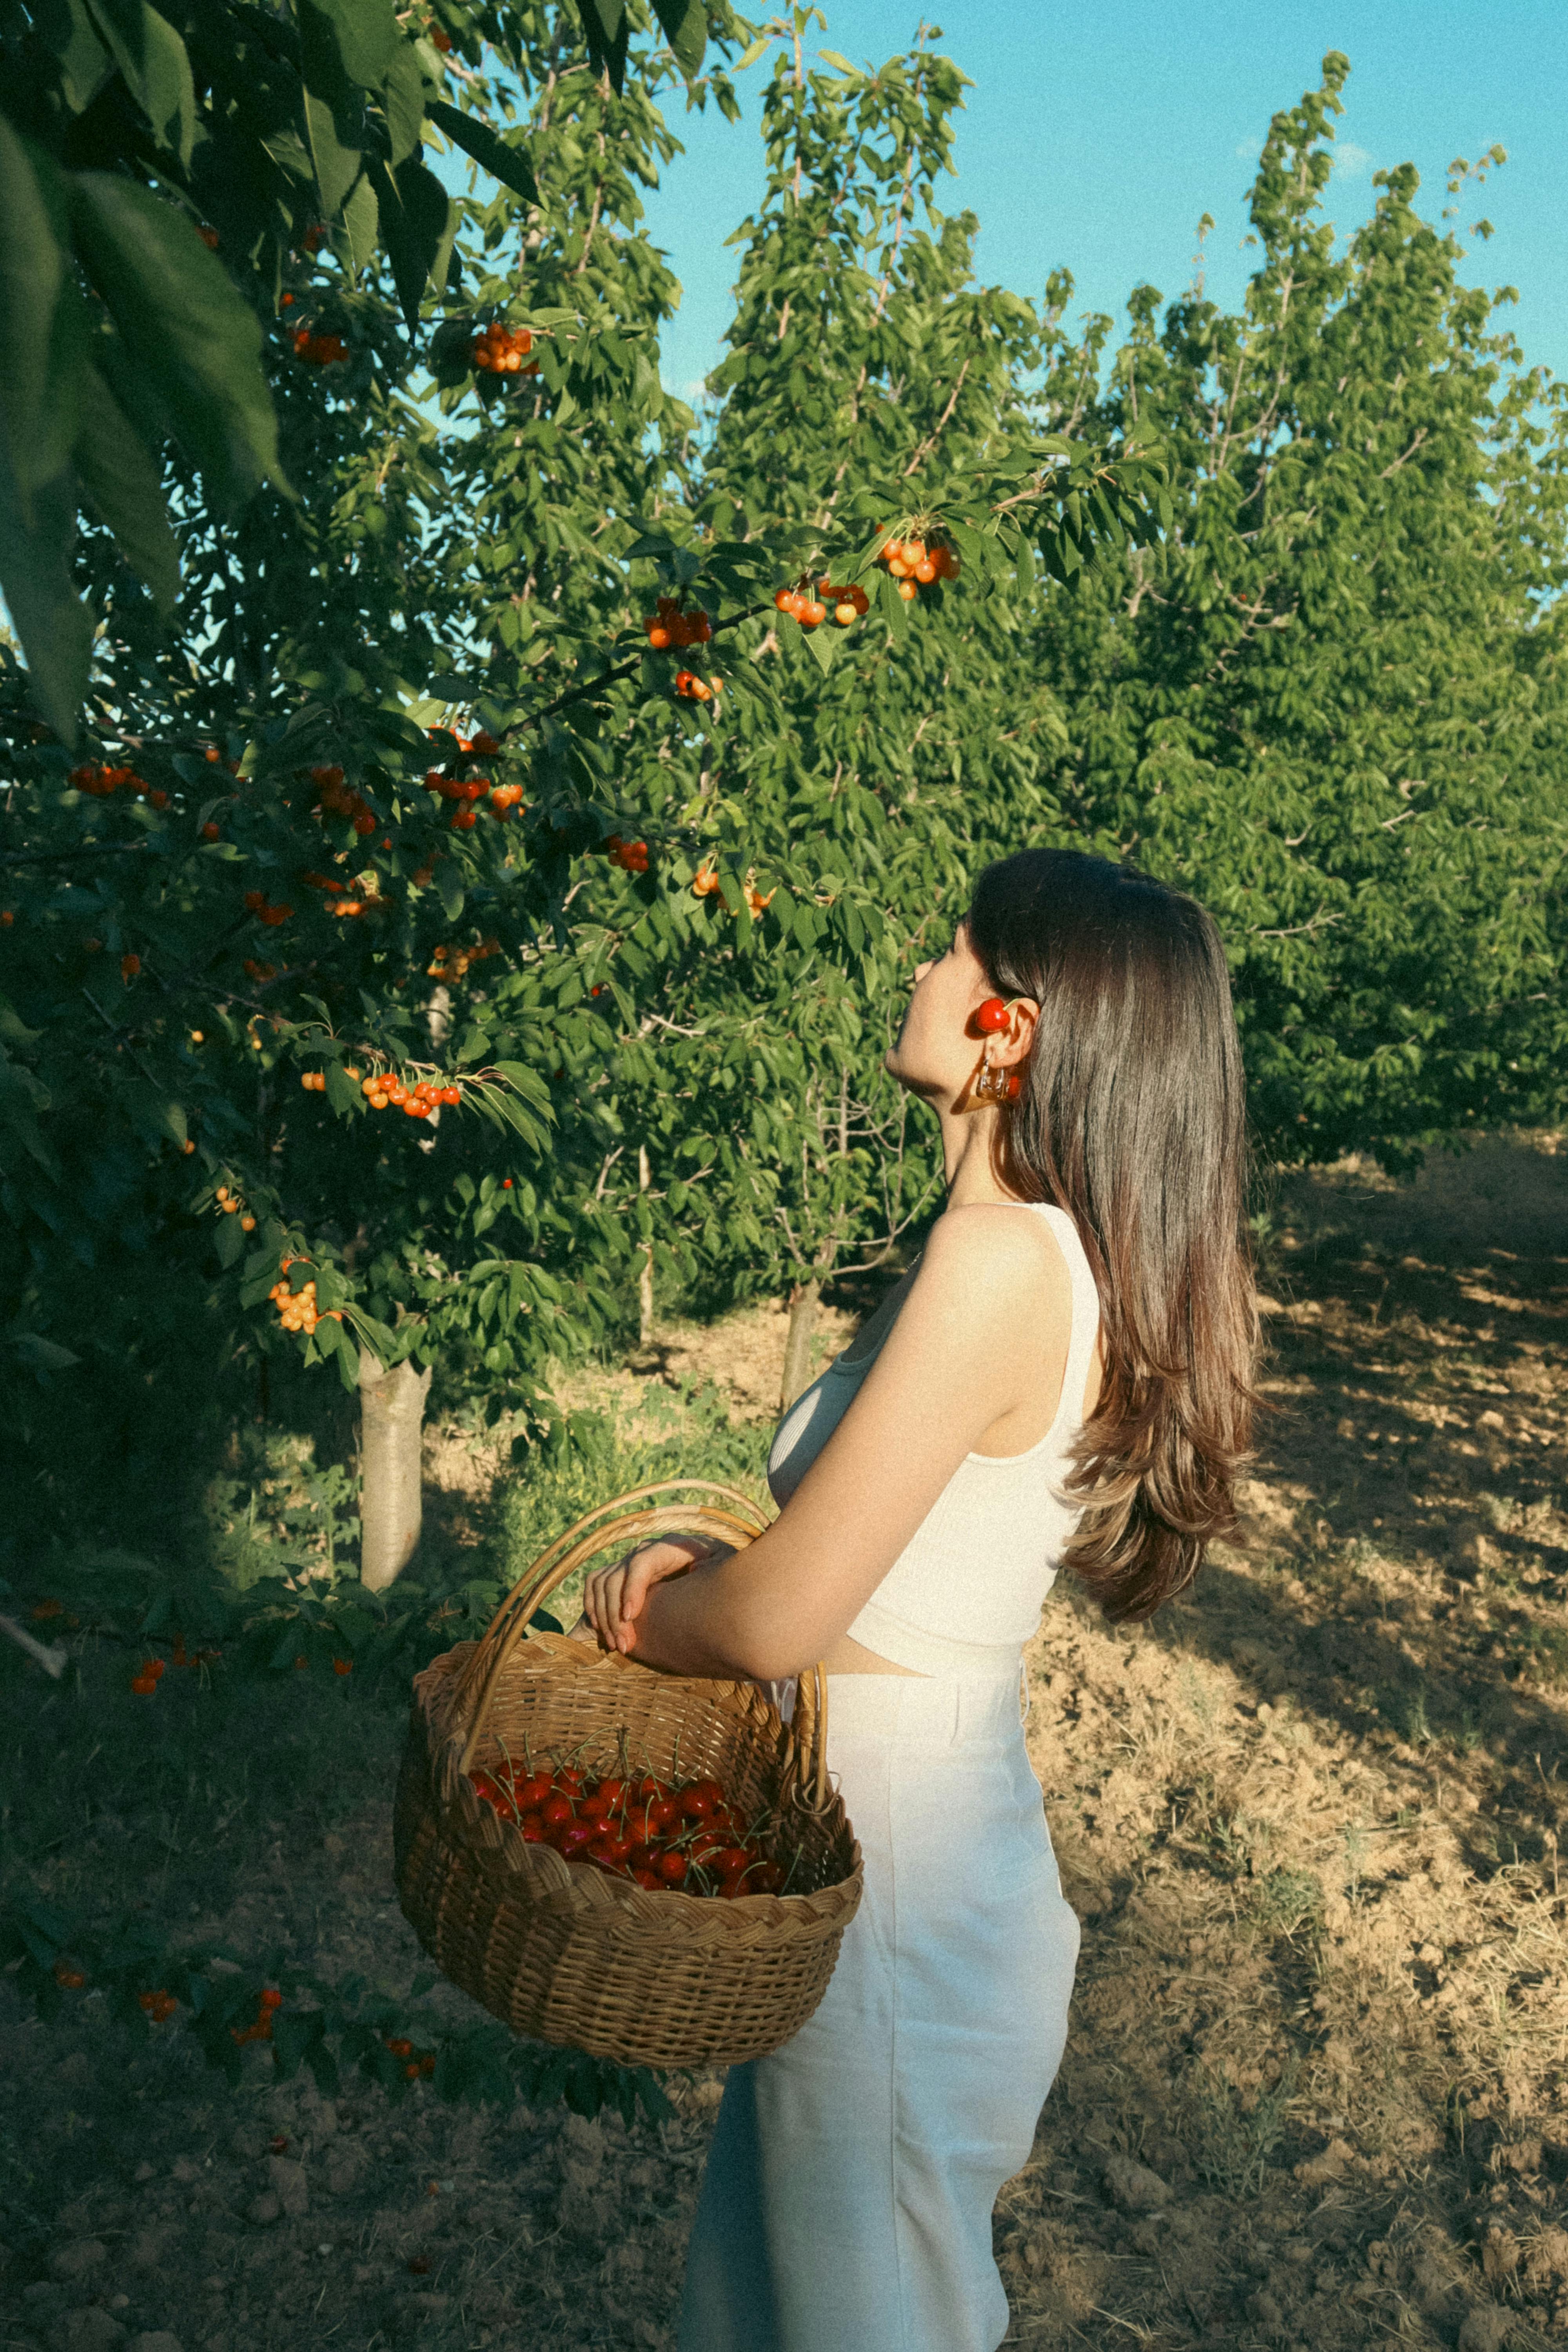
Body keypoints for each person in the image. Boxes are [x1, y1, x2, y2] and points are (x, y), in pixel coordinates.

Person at [581, 846, 1259, 2352]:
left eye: (954, 952)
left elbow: (775, 1628)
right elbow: (852, 1564)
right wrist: (730, 1575)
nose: (919, 968)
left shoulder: (996, 1256)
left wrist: (650, 1624)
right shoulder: (1037, 1251)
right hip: (893, 1845)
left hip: (894, 1872)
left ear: (1009, 1030)